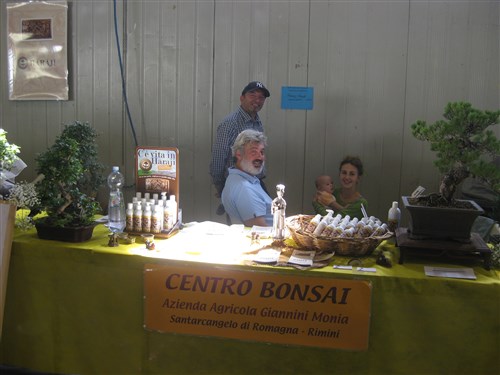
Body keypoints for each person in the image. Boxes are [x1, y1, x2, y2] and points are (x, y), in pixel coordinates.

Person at [210, 81, 270, 215]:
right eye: (252, 95)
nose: (257, 100)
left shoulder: (257, 121)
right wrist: (222, 188)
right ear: (242, 98)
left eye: (261, 97)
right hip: (240, 185)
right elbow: (218, 160)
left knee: (268, 219)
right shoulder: (230, 124)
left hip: (255, 183)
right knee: (250, 228)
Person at [221, 129, 272, 227]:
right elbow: (260, 231)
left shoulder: (241, 178)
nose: (260, 157)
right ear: (239, 154)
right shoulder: (244, 188)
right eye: (254, 152)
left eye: (262, 152)